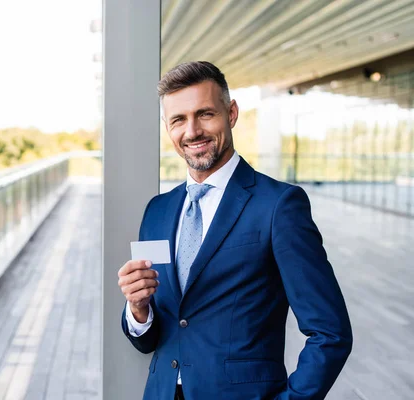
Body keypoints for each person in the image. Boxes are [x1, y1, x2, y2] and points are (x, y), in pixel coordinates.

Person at [117, 61, 352, 400]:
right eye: (179, 119)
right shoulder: (157, 211)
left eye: (205, 114)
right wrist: (139, 309)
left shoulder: (279, 206)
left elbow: (331, 333)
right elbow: (153, 338)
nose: (193, 130)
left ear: (232, 113)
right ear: (167, 128)